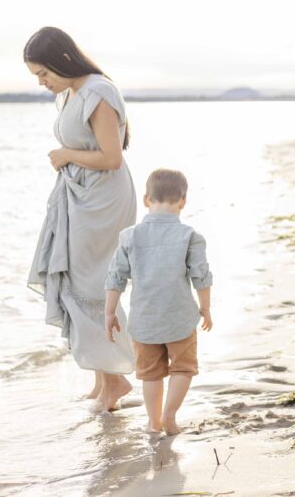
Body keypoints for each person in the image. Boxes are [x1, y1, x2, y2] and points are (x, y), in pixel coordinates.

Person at [24, 26, 137, 412]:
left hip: (102, 200)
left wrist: (66, 156)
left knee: (92, 285)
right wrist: (67, 157)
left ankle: (116, 380)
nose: (42, 82)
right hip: (80, 197)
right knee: (75, 280)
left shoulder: (98, 91)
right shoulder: (72, 92)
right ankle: (103, 378)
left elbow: (111, 157)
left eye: (44, 73)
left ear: (62, 60)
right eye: (37, 76)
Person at [104, 168, 213, 435]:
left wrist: (109, 313)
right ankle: (170, 416)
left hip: (144, 321)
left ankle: (153, 423)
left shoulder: (129, 236)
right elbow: (201, 276)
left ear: (146, 199)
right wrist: (206, 308)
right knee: (183, 368)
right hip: (180, 318)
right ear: (183, 201)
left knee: (150, 374)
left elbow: (115, 277)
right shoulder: (190, 236)